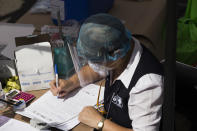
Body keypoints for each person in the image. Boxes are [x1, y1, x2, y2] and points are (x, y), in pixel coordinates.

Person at [50, 13, 163, 131]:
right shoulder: (121, 47)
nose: (92, 65)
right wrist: (71, 83)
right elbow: (97, 70)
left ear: (116, 54)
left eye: (97, 61)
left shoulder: (147, 84)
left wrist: (99, 122)